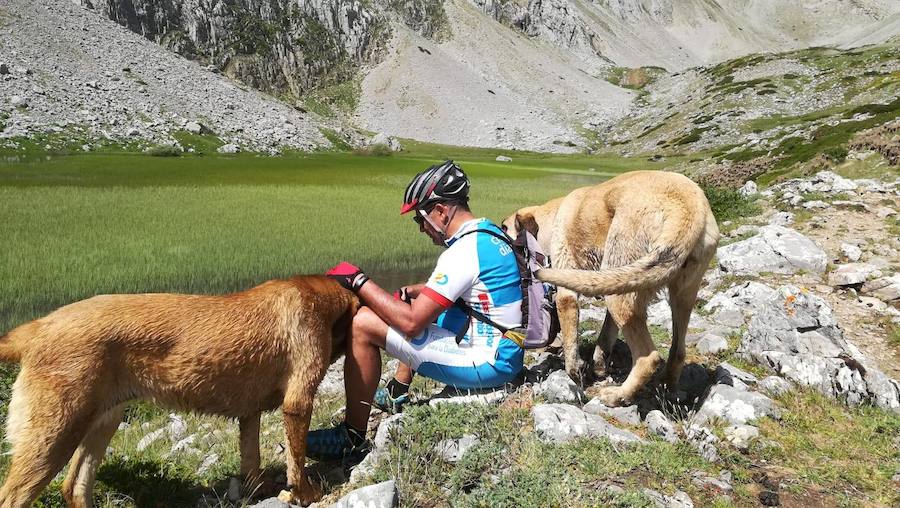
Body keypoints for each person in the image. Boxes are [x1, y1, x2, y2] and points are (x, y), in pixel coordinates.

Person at [305, 160, 525, 463]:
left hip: (490, 364)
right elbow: (470, 286)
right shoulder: (488, 235)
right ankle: (397, 390)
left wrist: (357, 280)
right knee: (412, 304)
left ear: (440, 211)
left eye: (420, 219)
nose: (422, 228)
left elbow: (410, 323)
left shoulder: (461, 252)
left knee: (363, 323)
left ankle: (351, 437)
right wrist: (412, 291)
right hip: (505, 349)